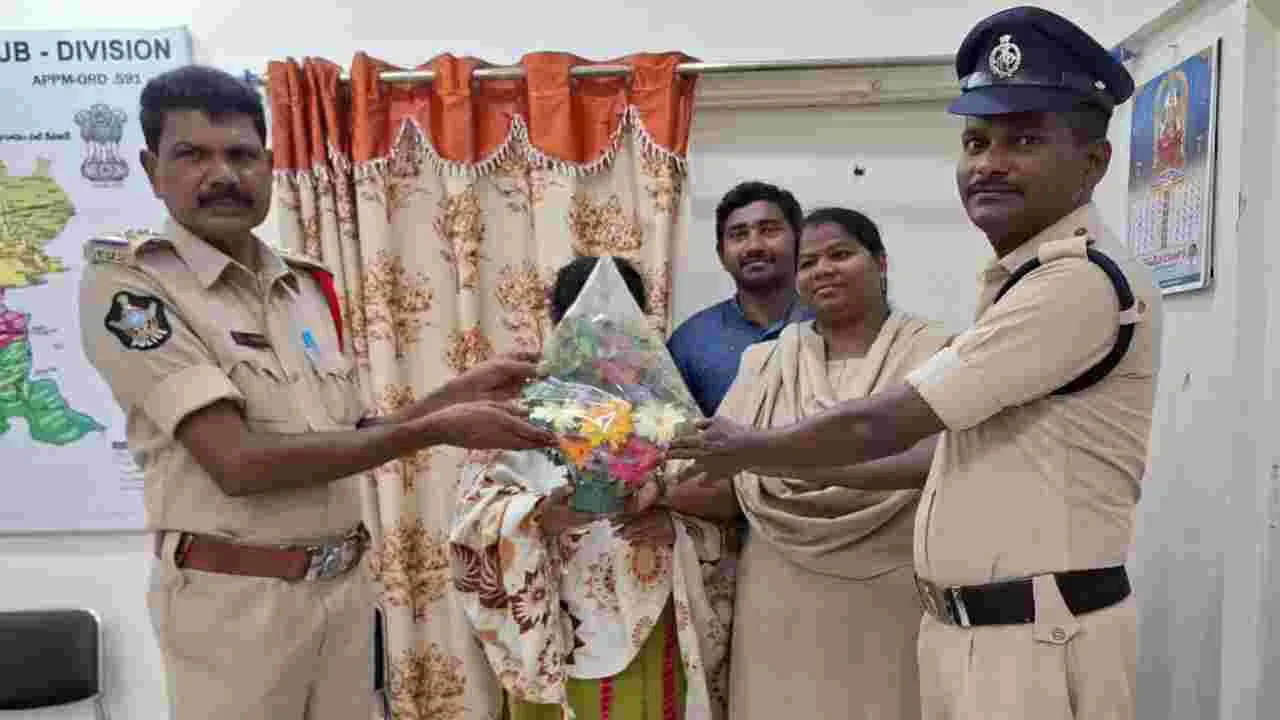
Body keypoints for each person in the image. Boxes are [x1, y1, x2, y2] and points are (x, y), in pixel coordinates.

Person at [668, 7, 1163, 719]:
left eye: (1024, 140)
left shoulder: (1074, 284)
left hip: (1032, 641)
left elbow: (892, 425)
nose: (989, 163)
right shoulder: (1018, 283)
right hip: (977, 632)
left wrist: (752, 449)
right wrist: (764, 464)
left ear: (1094, 161)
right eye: (976, 141)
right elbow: (938, 455)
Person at [77, 65, 555, 720]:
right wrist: (435, 430)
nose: (222, 175)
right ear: (151, 169)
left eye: (241, 155)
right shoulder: (134, 286)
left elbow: (349, 440)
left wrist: (450, 397)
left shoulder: (305, 286)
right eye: (192, 155)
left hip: (344, 595)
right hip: (236, 610)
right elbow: (238, 464)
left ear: (270, 165)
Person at [690, 207, 950, 720]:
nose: (823, 270)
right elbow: (720, 465)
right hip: (778, 585)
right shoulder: (765, 362)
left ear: (880, 262)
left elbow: (939, 461)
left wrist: (772, 456)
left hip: (894, 580)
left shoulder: (936, 353)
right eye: (808, 263)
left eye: (840, 254)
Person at [450, 256, 736, 720]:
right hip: (554, 616)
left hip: (648, 607)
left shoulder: (665, 408)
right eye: (583, 326)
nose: (601, 342)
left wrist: (675, 524)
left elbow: (725, 507)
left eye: (616, 325)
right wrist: (539, 516)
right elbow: (472, 519)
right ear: (558, 327)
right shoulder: (519, 409)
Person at [667, 181, 813, 418]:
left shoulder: (832, 325)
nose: (754, 246)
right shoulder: (690, 343)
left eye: (769, 231)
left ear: (800, 242)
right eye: (739, 235)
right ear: (721, 254)